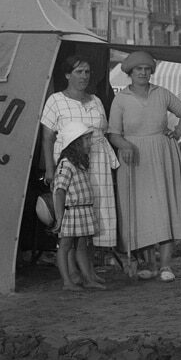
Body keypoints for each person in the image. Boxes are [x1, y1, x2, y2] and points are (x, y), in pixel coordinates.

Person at [108, 50, 181, 282]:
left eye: (147, 69)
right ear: (129, 73)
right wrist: (124, 145)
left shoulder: (161, 93)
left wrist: (177, 132)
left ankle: (166, 266)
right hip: (133, 159)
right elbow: (114, 134)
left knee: (164, 207)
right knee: (142, 211)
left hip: (162, 154)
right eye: (138, 70)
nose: (143, 73)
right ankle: (151, 265)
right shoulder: (121, 99)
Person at [39, 55, 120, 269]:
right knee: (72, 216)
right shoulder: (56, 100)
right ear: (67, 75)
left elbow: (103, 132)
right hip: (71, 164)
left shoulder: (96, 101)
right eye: (78, 72)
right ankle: (72, 273)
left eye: (87, 72)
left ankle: (89, 271)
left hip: (98, 162)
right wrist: (50, 167)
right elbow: (47, 137)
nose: (84, 76)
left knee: (93, 214)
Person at [50, 122, 105, 292]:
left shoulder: (80, 163)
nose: (89, 144)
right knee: (65, 246)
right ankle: (67, 281)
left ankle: (88, 279)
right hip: (71, 212)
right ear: (75, 143)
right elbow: (59, 191)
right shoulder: (66, 164)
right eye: (86, 140)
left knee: (82, 245)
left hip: (83, 211)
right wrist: (59, 218)